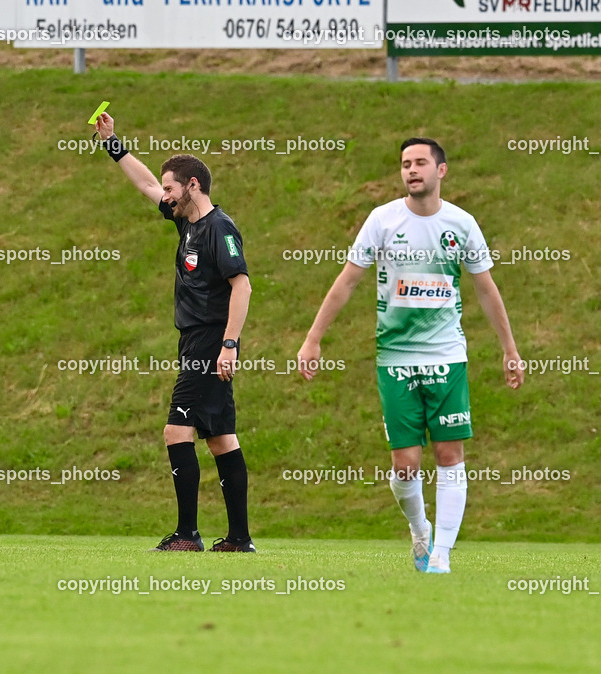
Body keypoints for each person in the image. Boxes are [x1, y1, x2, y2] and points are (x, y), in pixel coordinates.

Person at [296, 138, 523, 573]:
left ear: (441, 170)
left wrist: (509, 350)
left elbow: (485, 288)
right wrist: (313, 339)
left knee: (449, 455)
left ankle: (441, 556)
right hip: (395, 358)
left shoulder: (462, 223)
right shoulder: (382, 221)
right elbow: (347, 281)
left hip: (447, 356)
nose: (411, 170)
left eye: (420, 162)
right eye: (405, 164)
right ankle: (421, 530)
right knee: (405, 464)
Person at [94, 113, 255, 552]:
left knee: (175, 431)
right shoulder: (187, 221)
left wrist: (228, 344)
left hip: (208, 341)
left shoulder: (219, 228)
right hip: (195, 341)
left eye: (171, 188)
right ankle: (239, 538)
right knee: (221, 438)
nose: (163, 195)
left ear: (193, 186)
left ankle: (188, 534)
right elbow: (146, 184)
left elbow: (241, 284)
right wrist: (113, 144)